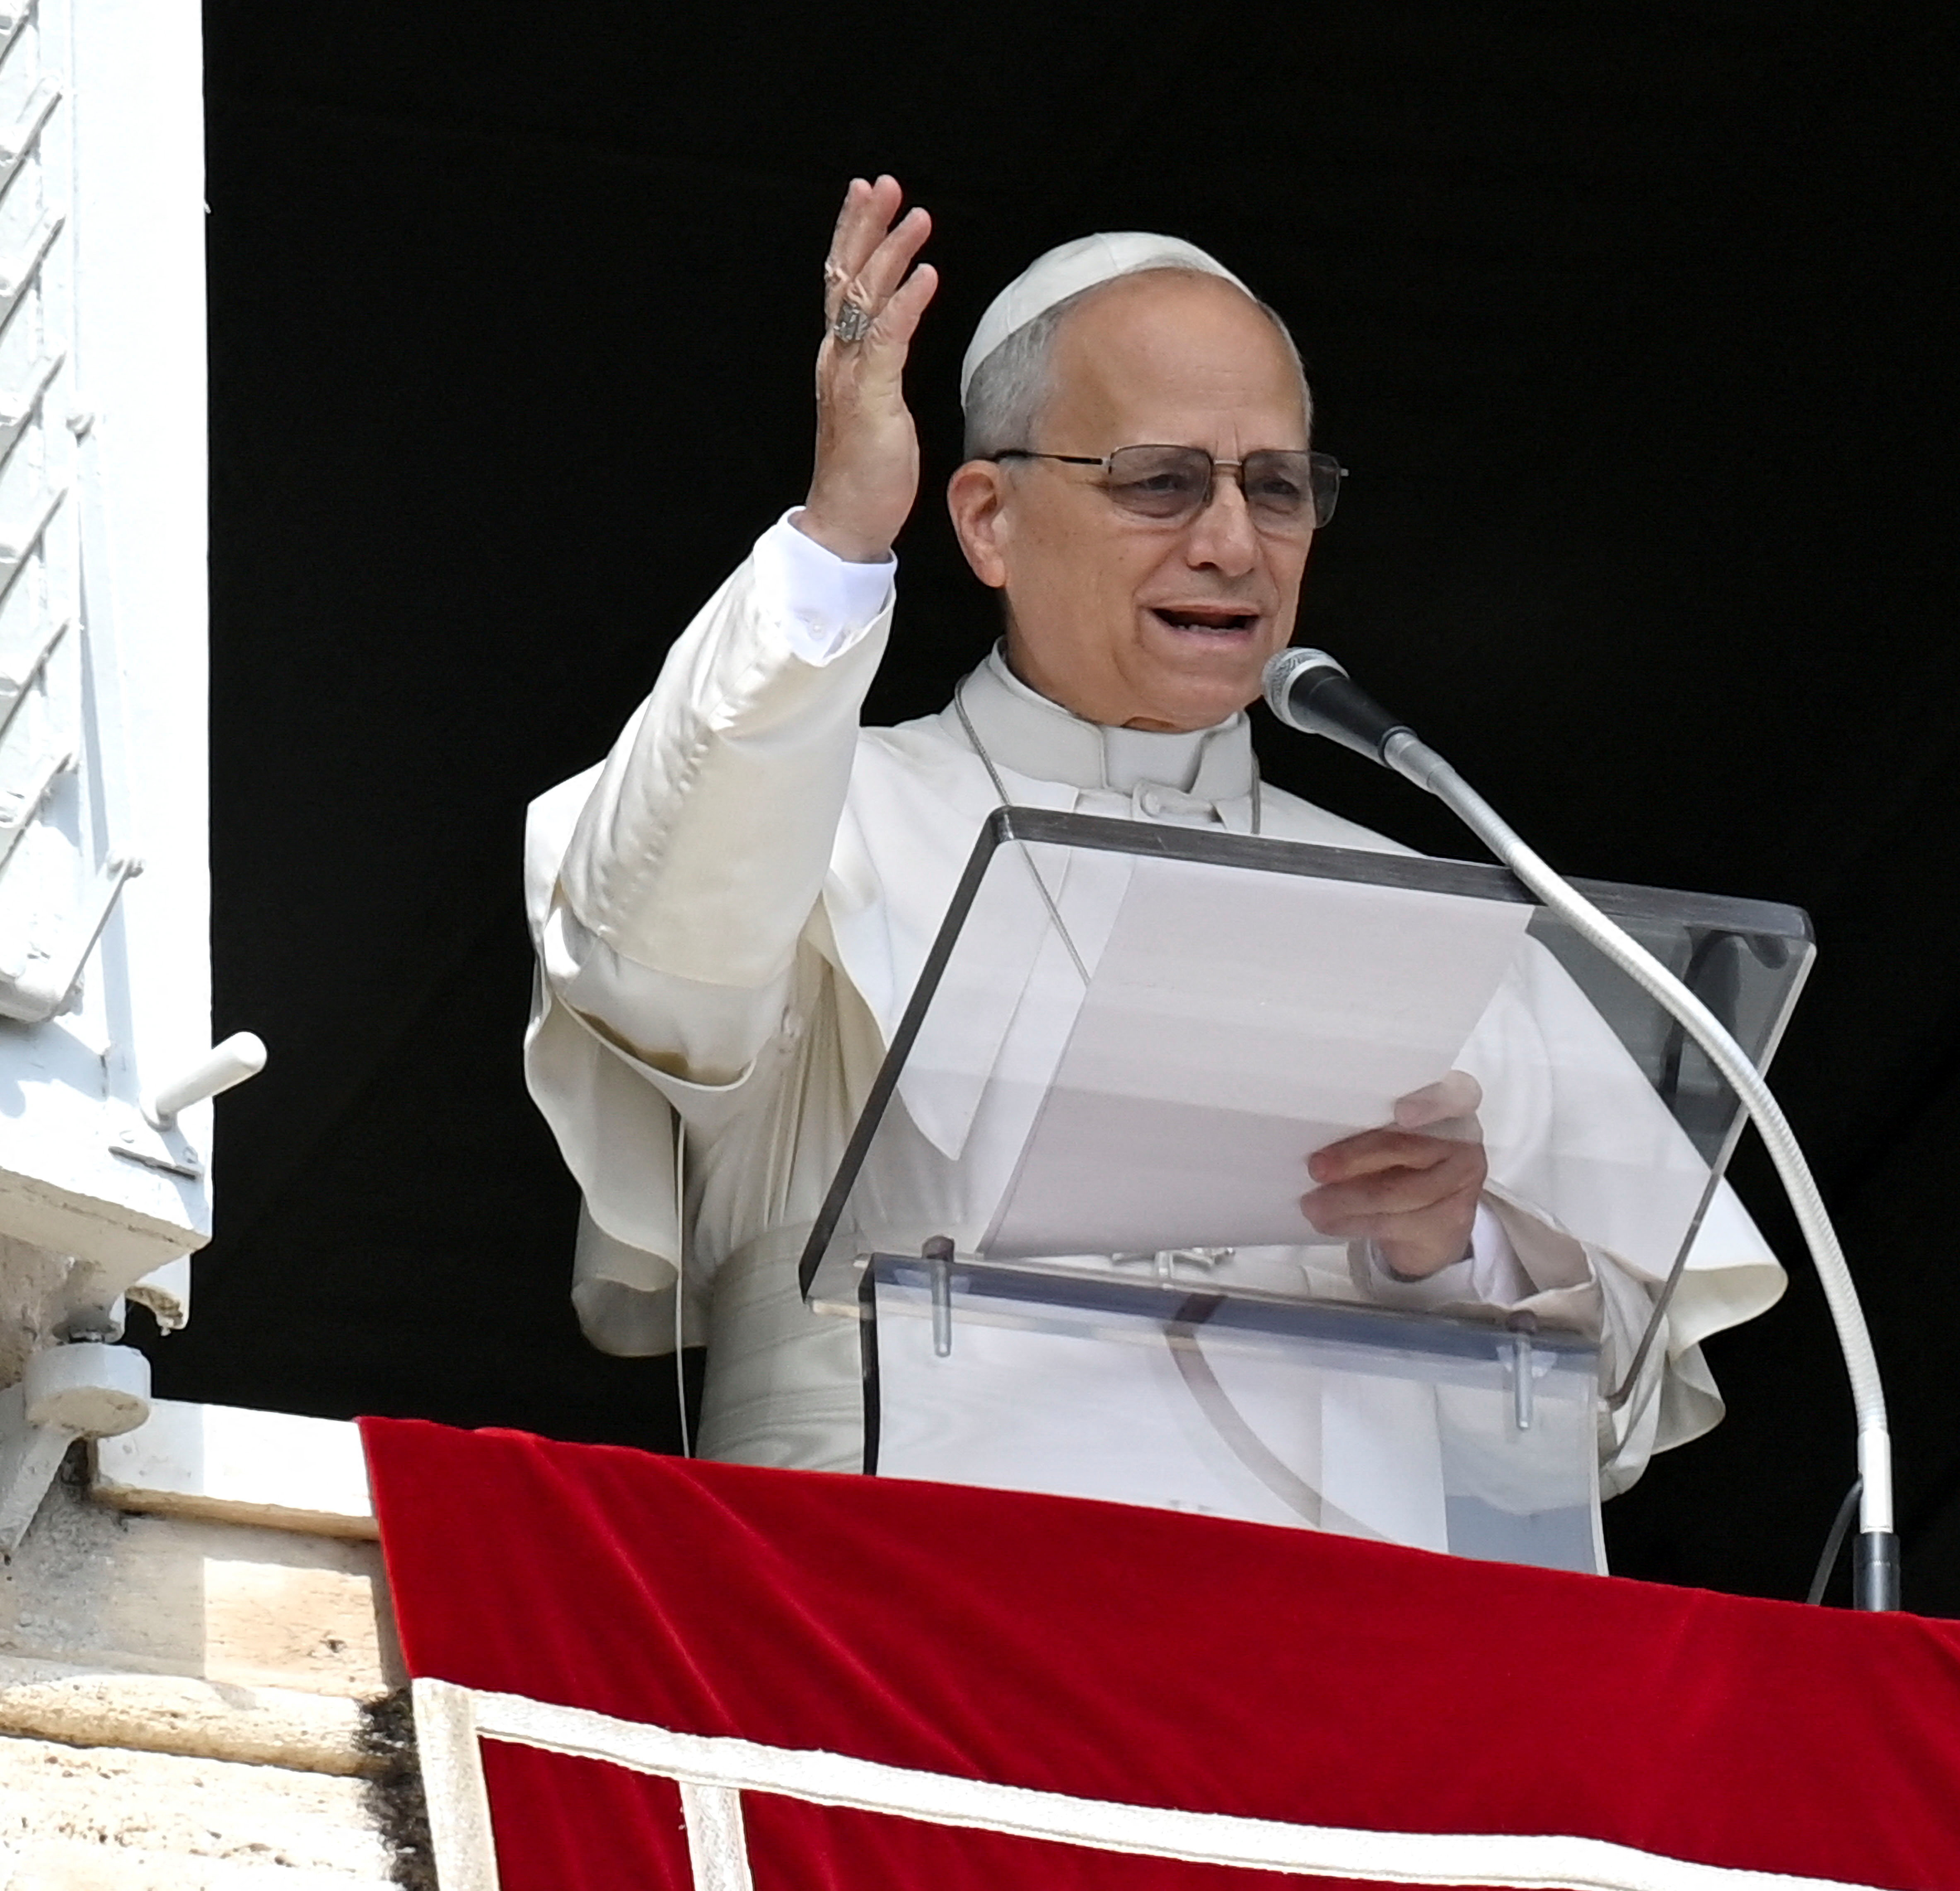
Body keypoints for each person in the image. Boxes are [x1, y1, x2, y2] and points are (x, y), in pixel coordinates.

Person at [521, 179, 1782, 1512]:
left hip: (1318, 1666)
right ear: (988, 521)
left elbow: (1600, 1430)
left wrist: (1449, 1244)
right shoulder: (829, 814)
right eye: (1162, 482)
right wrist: (840, 537)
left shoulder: (1422, 903)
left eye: (1278, 487)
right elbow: (650, 955)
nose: (1233, 541)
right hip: (888, 1634)